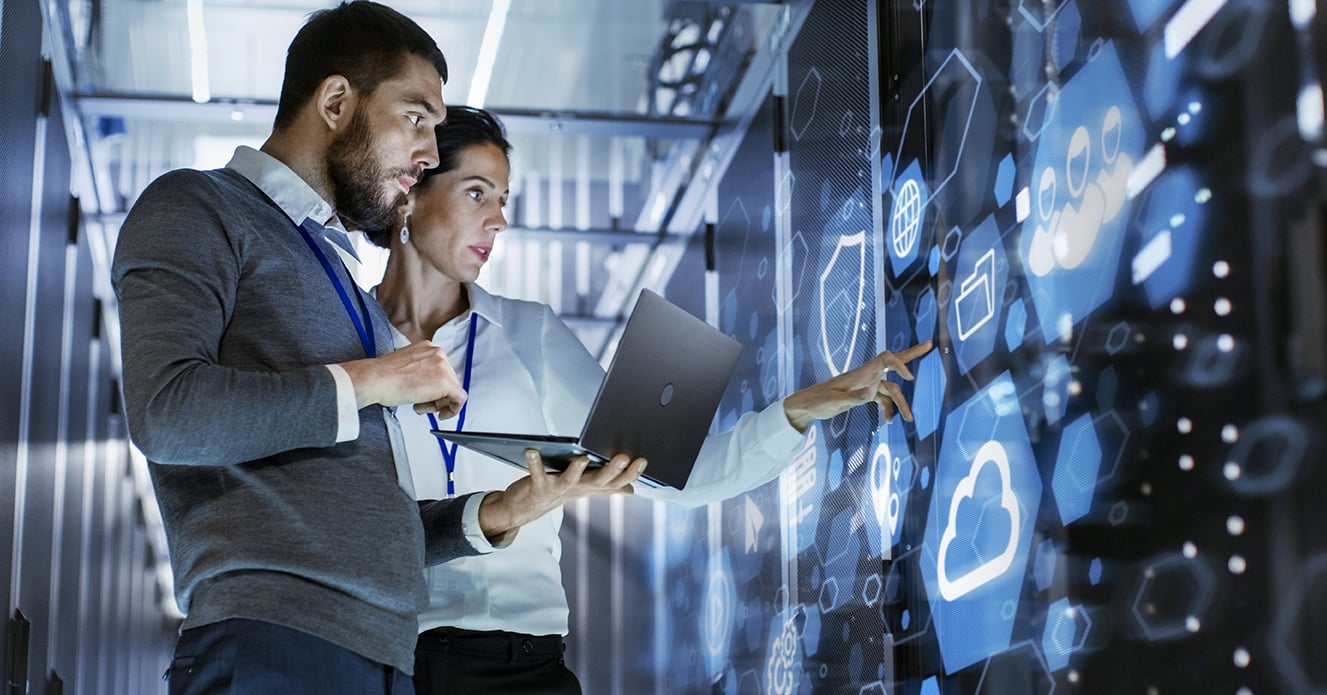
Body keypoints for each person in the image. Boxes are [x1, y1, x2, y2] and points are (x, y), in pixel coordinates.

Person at [110, 5, 641, 693]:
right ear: (335, 101)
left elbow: (367, 520)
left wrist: (498, 512)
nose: (427, 152)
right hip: (274, 642)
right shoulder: (198, 206)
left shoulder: (338, 279)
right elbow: (168, 414)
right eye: (416, 117)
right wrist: (373, 379)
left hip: (381, 656)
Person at [368, 105, 934, 695]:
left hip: (519, 666)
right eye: (478, 194)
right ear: (410, 192)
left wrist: (802, 408)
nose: (499, 220)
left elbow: (675, 475)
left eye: (504, 199)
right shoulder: (344, 340)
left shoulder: (527, 333)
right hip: (378, 657)